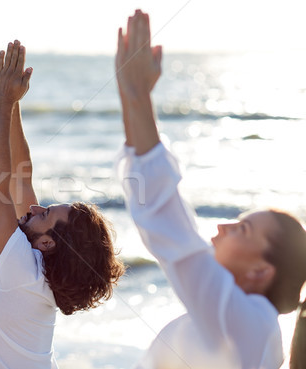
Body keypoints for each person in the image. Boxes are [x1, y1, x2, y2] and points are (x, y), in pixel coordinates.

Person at [116, 9, 306, 369]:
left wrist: (137, 96)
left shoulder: (251, 325)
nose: (221, 227)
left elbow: (174, 232)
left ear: (260, 271)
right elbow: (169, 227)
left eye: (242, 228)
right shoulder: (239, 324)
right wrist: (130, 97)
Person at [0, 40, 125, 368]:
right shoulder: (35, 267)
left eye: (45, 213)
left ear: (48, 242)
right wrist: (15, 104)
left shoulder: (24, 270)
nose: (34, 208)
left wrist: (2, 102)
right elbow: (20, 177)